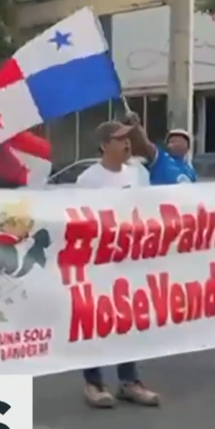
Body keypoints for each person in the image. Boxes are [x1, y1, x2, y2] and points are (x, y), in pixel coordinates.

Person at [74, 121, 160, 408]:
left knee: (128, 321)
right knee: (97, 321)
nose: (126, 144)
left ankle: (129, 380)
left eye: (128, 139)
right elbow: (81, 222)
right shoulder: (88, 179)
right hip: (100, 263)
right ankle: (94, 382)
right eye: (119, 139)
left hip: (132, 260)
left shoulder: (139, 174)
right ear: (103, 145)